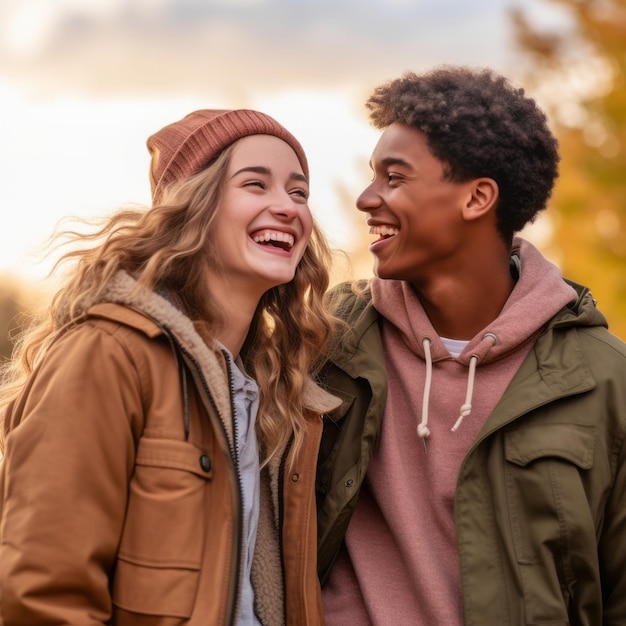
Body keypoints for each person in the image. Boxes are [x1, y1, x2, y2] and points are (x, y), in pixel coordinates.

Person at [0, 108, 340, 625]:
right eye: (256, 184)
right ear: (194, 207)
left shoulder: (272, 397)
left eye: (299, 193)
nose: (288, 208)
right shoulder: (109, 353)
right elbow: (41, 592)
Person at [316, 66, 626, 624]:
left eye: (395, 177)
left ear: (477, 197)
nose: (366, 198)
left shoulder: (607, 381)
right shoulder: (327, 341)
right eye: (372, 176)